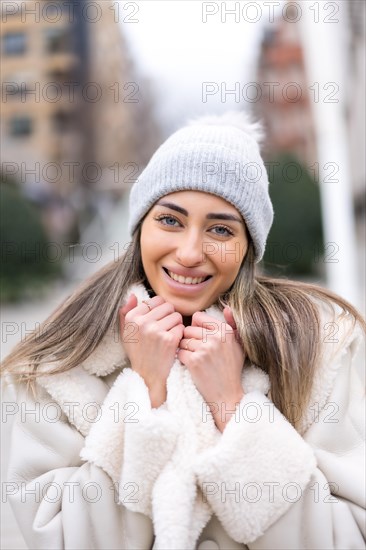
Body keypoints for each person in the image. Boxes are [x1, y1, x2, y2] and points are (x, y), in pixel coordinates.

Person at [1, 112, 365, 550]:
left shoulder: (316, 347)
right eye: (170, 220)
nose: (190, 252)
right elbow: (56, 539)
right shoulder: (61, 361)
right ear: (140, 229)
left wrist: (233, 407)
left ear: (249, 247)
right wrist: (144, 395)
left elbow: (349, 535)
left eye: (220, 229)